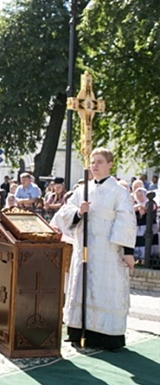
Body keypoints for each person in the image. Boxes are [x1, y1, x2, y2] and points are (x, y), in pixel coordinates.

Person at [58, 148, 136, 350]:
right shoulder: (83, 189)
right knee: (81, 286)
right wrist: (78, 212)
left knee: (105, 289)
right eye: (92, 162)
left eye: (99, 161)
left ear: (110, 164)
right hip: (84, 248)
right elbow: (65, 212)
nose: (95, 165)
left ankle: (106, 336)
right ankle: (78, 331)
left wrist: (128, 253)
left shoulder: (118, 191)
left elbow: (126, 221)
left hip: (108, 251)